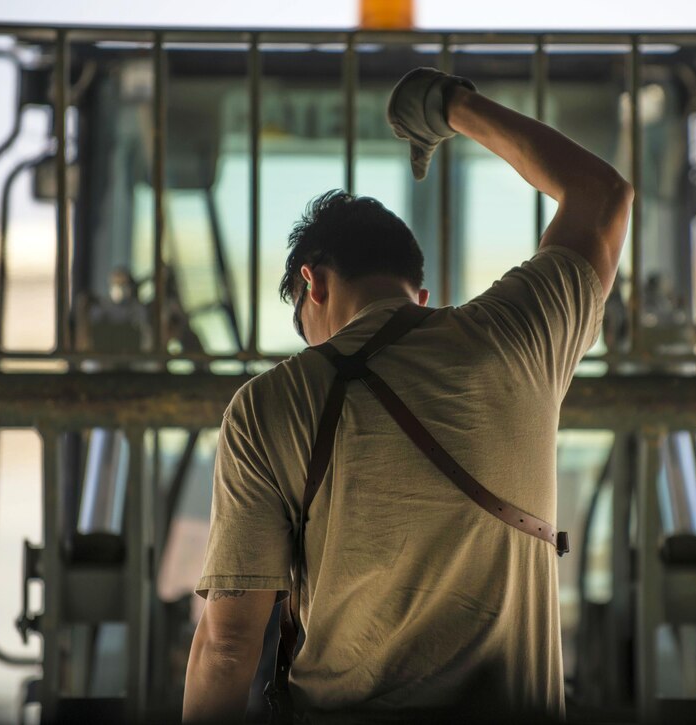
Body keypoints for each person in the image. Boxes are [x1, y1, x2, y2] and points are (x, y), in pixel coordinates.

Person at [183, 68, 633, 724]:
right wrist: (450, 107)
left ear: (314, 284)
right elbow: (602, 194)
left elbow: (227, 646)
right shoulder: (519, 336)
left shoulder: (267, 405)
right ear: (417, 294)